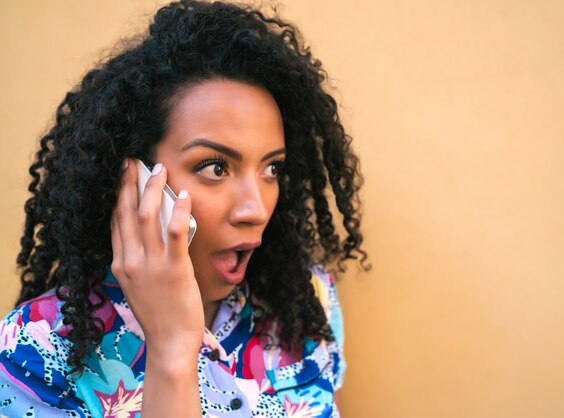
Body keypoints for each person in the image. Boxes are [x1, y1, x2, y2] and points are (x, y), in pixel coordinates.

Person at [0, 1, 368, 417]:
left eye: (272, 168)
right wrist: (172, 353)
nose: (255, 209)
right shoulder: (37, 350)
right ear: (134, 180)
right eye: (215, 167)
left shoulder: (308, 299)